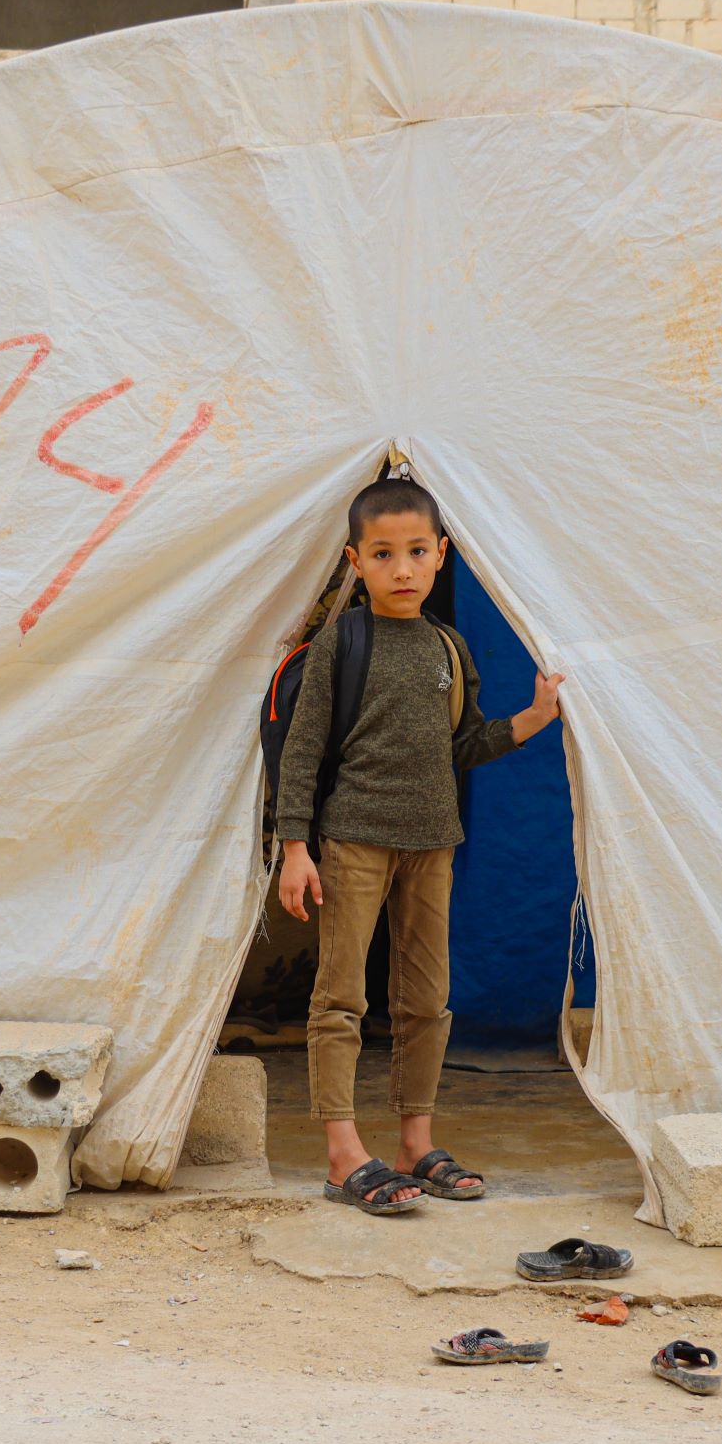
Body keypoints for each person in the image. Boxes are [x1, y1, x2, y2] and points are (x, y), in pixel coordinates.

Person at [274, 477, 565, 1214]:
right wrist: (295, 845)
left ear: (441, 555)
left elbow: (460, 745)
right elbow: (304, 748)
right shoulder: (343, 640)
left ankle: (414, 1141)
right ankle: (344, 1154)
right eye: (382, 554)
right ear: (355, 562)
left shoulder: (448, 645)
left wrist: (529, 720)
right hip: (355, 841)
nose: (401, 568)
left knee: (427, 1001)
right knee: (341, 996)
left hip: (433, 844)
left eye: (415, 552)